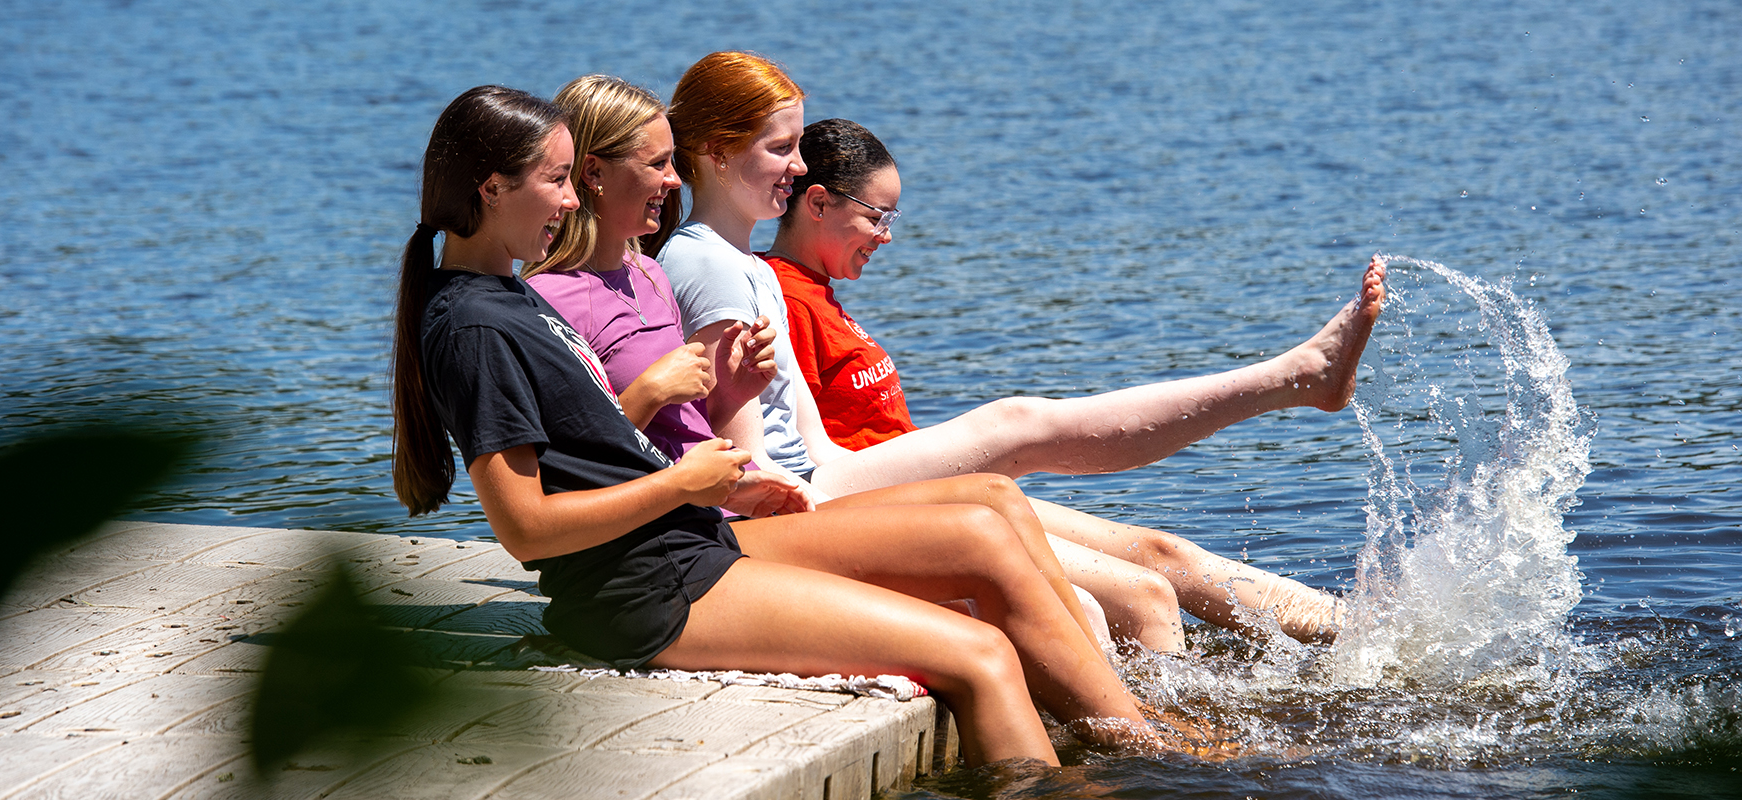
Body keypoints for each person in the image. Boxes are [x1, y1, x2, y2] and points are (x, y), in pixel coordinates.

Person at [390, 84, 1166, 767]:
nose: (570, 199)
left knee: (981, 526)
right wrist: (682, 482)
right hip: (643, 592)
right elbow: (524, 530)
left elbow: (595, 449)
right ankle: (1132, 767)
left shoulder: (510, 300)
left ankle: (1143, 747)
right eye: (557, 179)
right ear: (492, 188)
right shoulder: (475, 326)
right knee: (980, 655)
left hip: (692, 541)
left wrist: (722, 479)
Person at [649, 52, 1386, 644]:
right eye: (782, 149)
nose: (798, 164)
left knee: (1136, 538)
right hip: (811, 504)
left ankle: (1367, 638)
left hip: (839, 477)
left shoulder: (745, 266)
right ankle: (1295, 379)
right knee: (1022, 433)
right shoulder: (717, 266)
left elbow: (811, 440)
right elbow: (754, 467)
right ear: (717, 152)